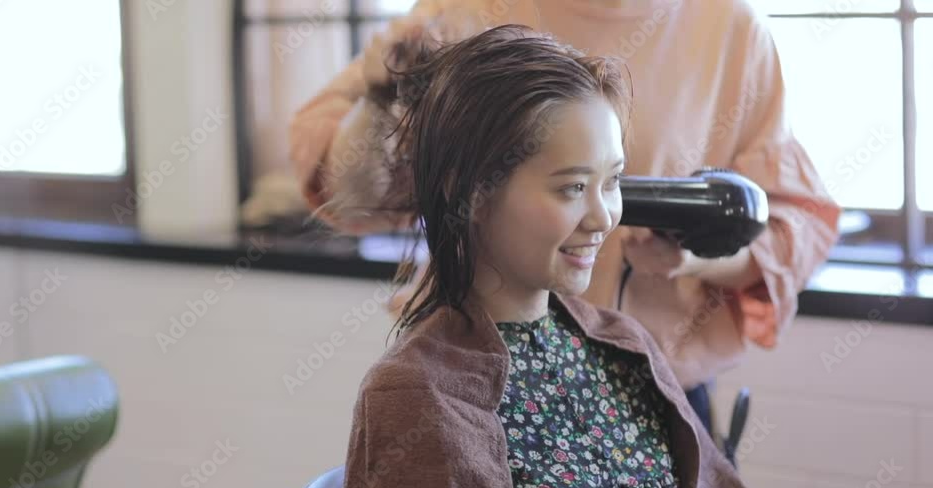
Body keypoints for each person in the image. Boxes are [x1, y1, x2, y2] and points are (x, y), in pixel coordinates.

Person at [286, 0, 841, 434]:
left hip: (653, 392)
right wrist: (387, 100)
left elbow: (797, 222)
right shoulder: (464, 14)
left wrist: (693, 260)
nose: (600, 217)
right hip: (481, 386)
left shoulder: (729, 30)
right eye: (572, 187)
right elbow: (348, 190)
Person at [335, 26, 752, 488]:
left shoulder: (624, 349)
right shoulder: (416, 397)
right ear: (467, 187)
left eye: (612, 181)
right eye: (573, 187)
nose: (604, 217)